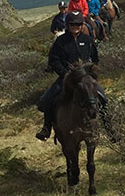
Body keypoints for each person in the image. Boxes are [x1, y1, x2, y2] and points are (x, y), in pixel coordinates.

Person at [36, 12, 99, 141]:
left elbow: (95, 59)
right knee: (47, 99)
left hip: (85, 78)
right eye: (72, 24)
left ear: (82, 25)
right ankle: (46, 127)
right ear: (68, 25)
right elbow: (54, 60)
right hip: (67, 78)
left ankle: (110, 128)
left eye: (78, 24)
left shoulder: (87, 40)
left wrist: (90, 73)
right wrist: (65, 73)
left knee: (103, 98)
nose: (75, 26)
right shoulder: (61, 41)